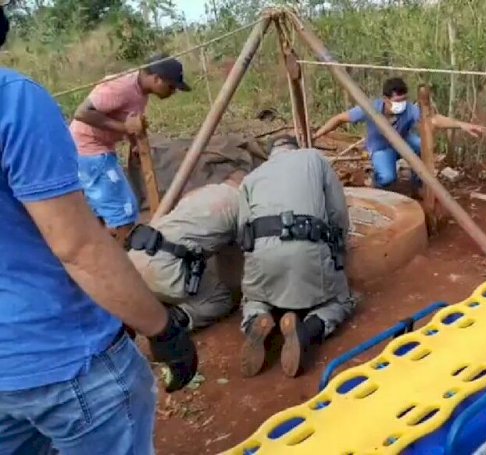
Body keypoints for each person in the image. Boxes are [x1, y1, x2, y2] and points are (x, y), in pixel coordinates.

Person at [0, 5, 196, 454]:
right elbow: (77, 246)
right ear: (157, 78)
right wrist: (160, 328)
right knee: (121, 217)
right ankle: (122, 282)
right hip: (62, 355)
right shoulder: (15, 100)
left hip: (8, 367)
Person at [238, 134, 357, 378]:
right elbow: (337, 212)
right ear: (295, 147)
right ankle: (307, 331)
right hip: (307, 247)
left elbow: (243, 232)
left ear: (271, 153)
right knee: (341, 300)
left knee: (253, 298)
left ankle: (257, 318)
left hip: (263, 256)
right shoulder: (314, 158)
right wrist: (340, 249)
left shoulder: (250, 179)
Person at [69, 53, 191, 245]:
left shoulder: (141, 91)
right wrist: (124, 128)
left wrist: (133, 141)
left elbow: (128, 118)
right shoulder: (121, 87)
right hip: (89, 149)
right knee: (123, 210)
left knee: (104, 209)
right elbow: (82, 113)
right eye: (171, 86)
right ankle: (126, 262)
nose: (172, 92)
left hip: (99, 149)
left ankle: (105, 251)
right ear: (156, 78)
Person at [313, 77, 486, 189]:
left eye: (404, 99)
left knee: (422, 146)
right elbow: (339, 118)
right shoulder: (370, 108)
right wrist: (318, 134)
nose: (402, 104)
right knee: (388, 178)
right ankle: (377, 183)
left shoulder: (409, 110)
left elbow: (433, 119)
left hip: (403, 142)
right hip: (381, 148)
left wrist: (462, 125)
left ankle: (418, 183)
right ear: (386, 99)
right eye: (398, 101)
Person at [128, 170, 248, 331]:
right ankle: (175, 321)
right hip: (166, 269)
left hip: (134, 258)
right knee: (221, 299)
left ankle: (148, 304)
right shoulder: (242, 202)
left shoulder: (201, 192)